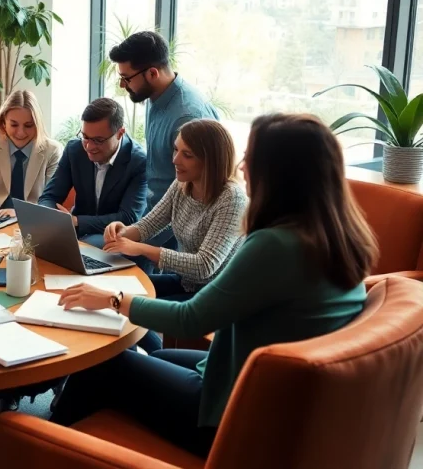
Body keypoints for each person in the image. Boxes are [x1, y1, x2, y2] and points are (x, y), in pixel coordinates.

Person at [53, 113, 376, 458]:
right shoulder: (336, 236)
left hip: (228, 412)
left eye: (251, 158)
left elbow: (192, 319)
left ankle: (39, 447)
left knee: (104, 364)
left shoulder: (276, 244)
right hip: (268, 398)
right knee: (158, 354)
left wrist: (112, 299)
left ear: (279, 172)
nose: (242, 166)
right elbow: (150, 226)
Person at [103, 119, 247, 352]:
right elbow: (149, 224)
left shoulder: (231, 199)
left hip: (214, 295)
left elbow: (205, 266)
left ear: (210, 160)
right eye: (176, 149)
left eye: (187, 154)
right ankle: (148, 359)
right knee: (115, 293)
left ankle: (153, 361)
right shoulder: (182, 185)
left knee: (129, 309)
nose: (175, 160)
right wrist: (122, 232)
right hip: (186, 283)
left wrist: (140, 249)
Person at [109, 30, 219, 252]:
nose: (123, 85)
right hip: (155, 219)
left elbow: (195, 196)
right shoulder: (154, 97)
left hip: (180, 235)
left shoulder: (187, 116)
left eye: (127, 78)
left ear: (152, 73)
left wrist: (139, 244)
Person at [38, 97, 148, 248]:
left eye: (98, 140)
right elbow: (50, 196)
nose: (89, 146)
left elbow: (128, 217)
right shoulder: (74, 150)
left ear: (120, 133)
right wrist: (52, 216)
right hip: (76, 232)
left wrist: (77, 221)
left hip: (114, 238)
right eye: (85, 137)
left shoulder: (138, 161)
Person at [0, 90, 63, 218]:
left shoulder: (52, 150)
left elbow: (52, 199)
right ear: (3, 123)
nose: (20, 132)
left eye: (28, 125)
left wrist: (19, 213)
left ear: (37, 125)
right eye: (14, 125)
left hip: (33, 217)